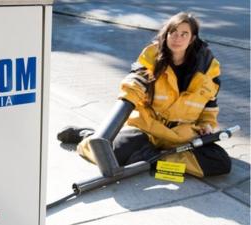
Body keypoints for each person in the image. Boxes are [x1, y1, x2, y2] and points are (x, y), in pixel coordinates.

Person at [58, 12, 231, 177]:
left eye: (184, 34)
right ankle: (88, 136)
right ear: (166, 34)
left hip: (182, 137)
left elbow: (210, 107)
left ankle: (153, 162)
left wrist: (207, 125)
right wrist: (127, 98)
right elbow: (135, 84)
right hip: (148, 130)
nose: (177, 38)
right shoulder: (152, 58)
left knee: (220, 163)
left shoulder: (209, 70)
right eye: (173, 32)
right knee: (111, 156)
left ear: (192, 38)